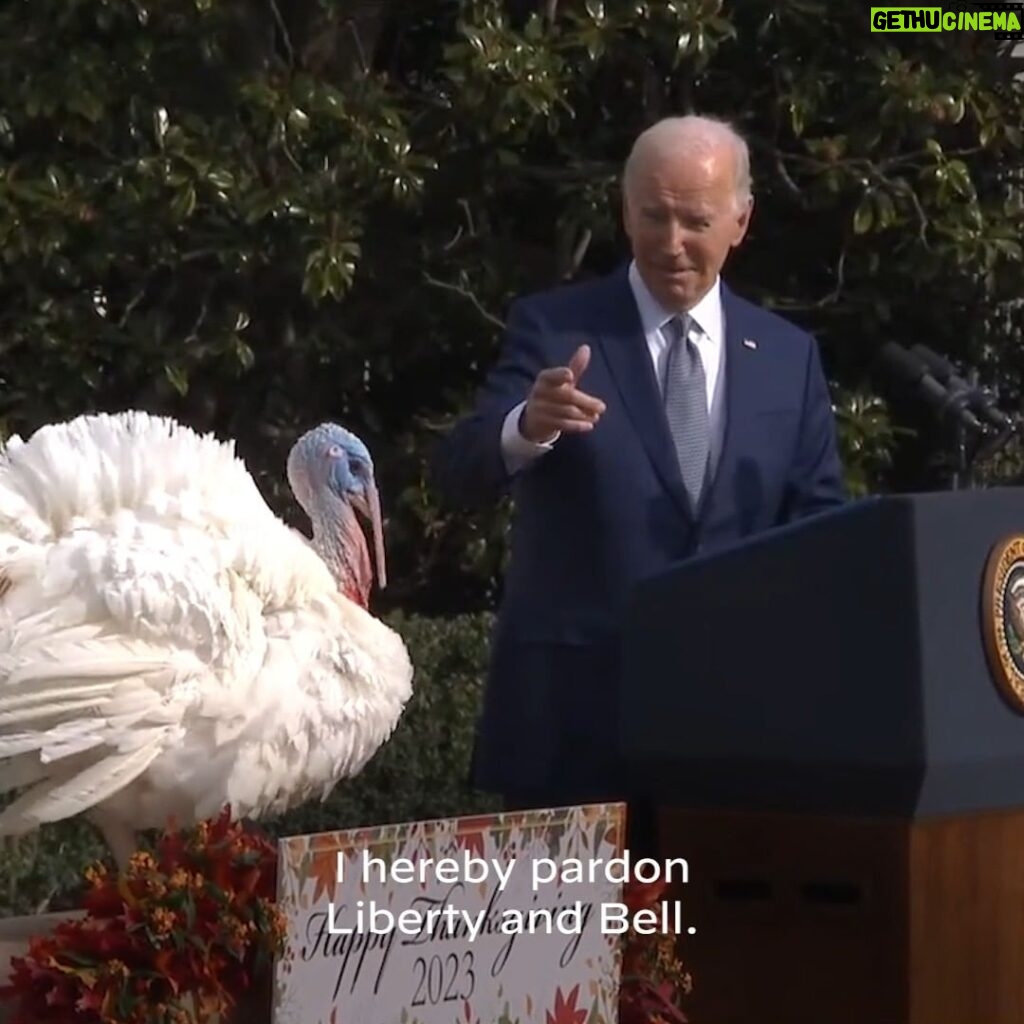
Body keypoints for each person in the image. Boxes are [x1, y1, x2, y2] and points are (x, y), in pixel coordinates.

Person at [432, 115, 845, 849]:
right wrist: (529, 425)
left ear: (740, 221)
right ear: (625, 212)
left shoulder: (789, 358)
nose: (672, 241)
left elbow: (821, 528)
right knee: (563, 961)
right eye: (654, 216)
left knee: (715, 957)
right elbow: (457, 470)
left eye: (696, 219)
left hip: (732, 737)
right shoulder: (555, 330)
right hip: (572, 730)